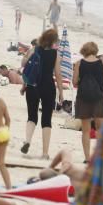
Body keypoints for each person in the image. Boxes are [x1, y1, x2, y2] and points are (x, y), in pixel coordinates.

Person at [20, 28, 65, 159]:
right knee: (46, 120)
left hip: (32, 86)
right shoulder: (56, 54)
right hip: (48, 87)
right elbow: (58, 74)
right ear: (54, 41)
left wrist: (24, 85)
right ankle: (45, 153)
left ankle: (27, 141)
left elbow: (26, 67)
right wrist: (61, 92)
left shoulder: (34, 49)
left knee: (31, 116)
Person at [73, 41, 103, 162]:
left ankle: (87, 158)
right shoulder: (102, 63)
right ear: (95, 50)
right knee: (99, 129)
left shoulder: (79, 63)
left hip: (83, 98)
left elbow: (74, 82)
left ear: (84, 51)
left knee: (85, 131)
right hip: (98, 99)